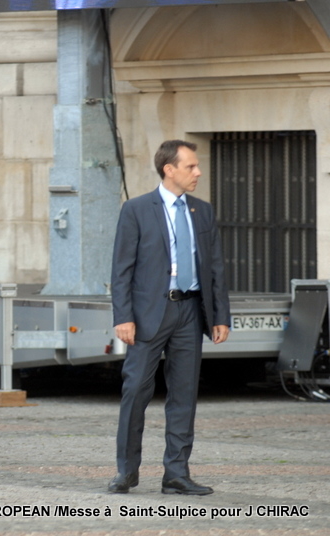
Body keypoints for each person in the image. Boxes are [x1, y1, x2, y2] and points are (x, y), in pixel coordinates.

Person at [109, 140, 230, 495]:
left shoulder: (202, 211)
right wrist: (123, 316)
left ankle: (176, 473)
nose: (198, 172)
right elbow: (121, 269)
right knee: (135, 390)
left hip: (190, 312)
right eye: (191, 166)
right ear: (169, 169)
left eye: (196, 166)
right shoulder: (136, 210)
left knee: (184, 394)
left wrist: (220, 315)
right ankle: (127, 471)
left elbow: (215, 268)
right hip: (149, 313)